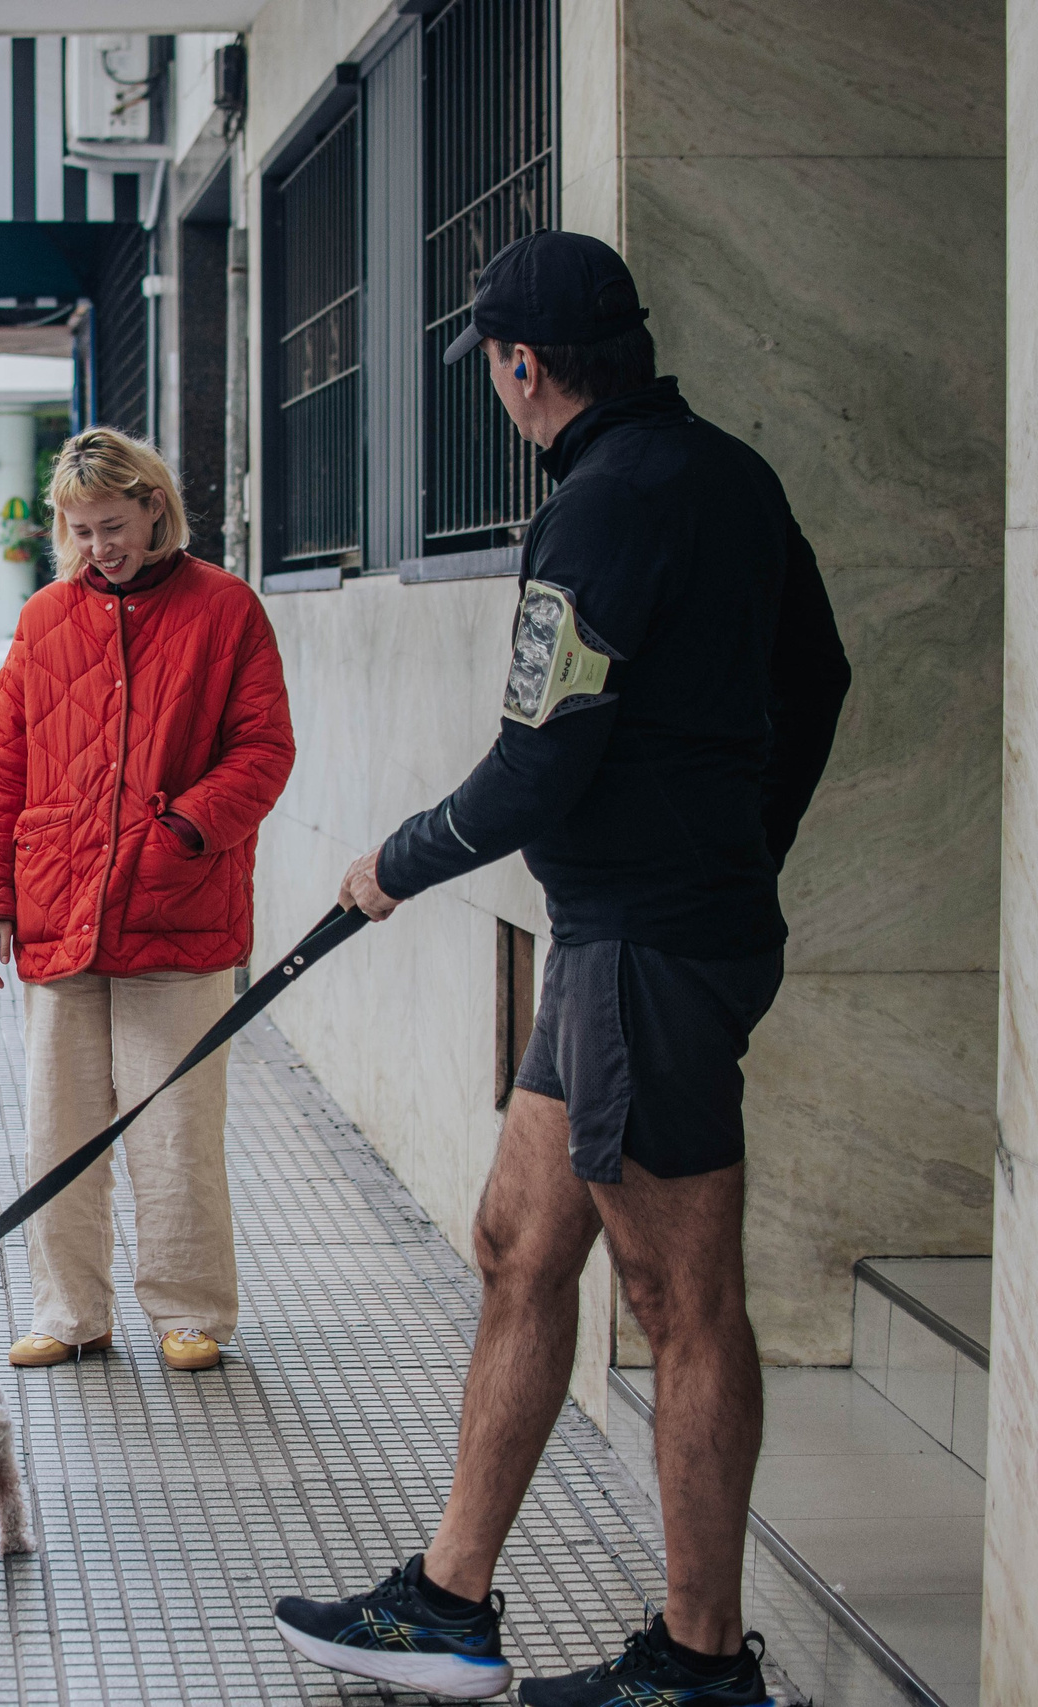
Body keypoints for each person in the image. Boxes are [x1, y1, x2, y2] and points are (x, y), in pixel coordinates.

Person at [273, 231, 848, 1707]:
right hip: (641, 931)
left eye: (496, 372)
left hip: (645, 947)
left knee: (679, 1297)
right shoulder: (733, 477)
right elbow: (821, 675)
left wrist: (394, 860)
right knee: (520, 1240)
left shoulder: (596, 510)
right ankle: (451, 1599)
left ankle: (702, 1662)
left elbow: (538, 763)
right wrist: (743, 839)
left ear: (524, 368)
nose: (499, 392)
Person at [0, 427, 295, 1375]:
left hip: (177, 908)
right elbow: (3, 766)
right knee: (56, 1129)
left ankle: (189, 1309)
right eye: (79, 529)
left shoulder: (225, 609)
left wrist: (184, 831)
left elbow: (264, 750)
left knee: (175, 1130)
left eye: (112, 524)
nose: (98, 545)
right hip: (58, 905)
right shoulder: (44, 619)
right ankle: (70, 1310)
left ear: (154, 506)